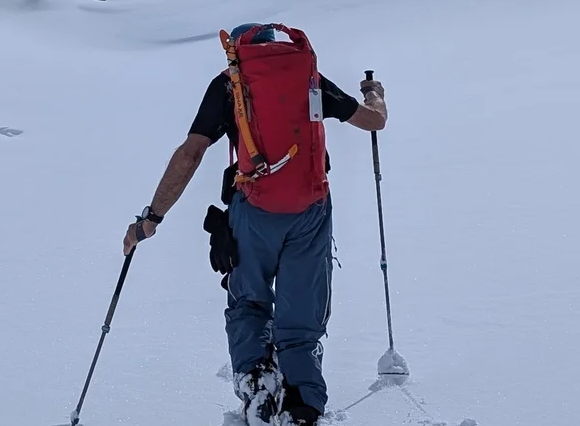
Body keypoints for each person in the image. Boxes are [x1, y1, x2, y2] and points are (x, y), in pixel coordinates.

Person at [123, 23, 388, 426]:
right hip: (310, 211)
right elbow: (373, 122)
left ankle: (255, 382)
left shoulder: (228, 84)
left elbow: (191, 153)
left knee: (249, 301)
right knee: (301, 319)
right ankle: (301, 405)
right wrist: (375, 94)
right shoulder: (307, 76)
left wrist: (152, 217)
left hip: (255, 211)